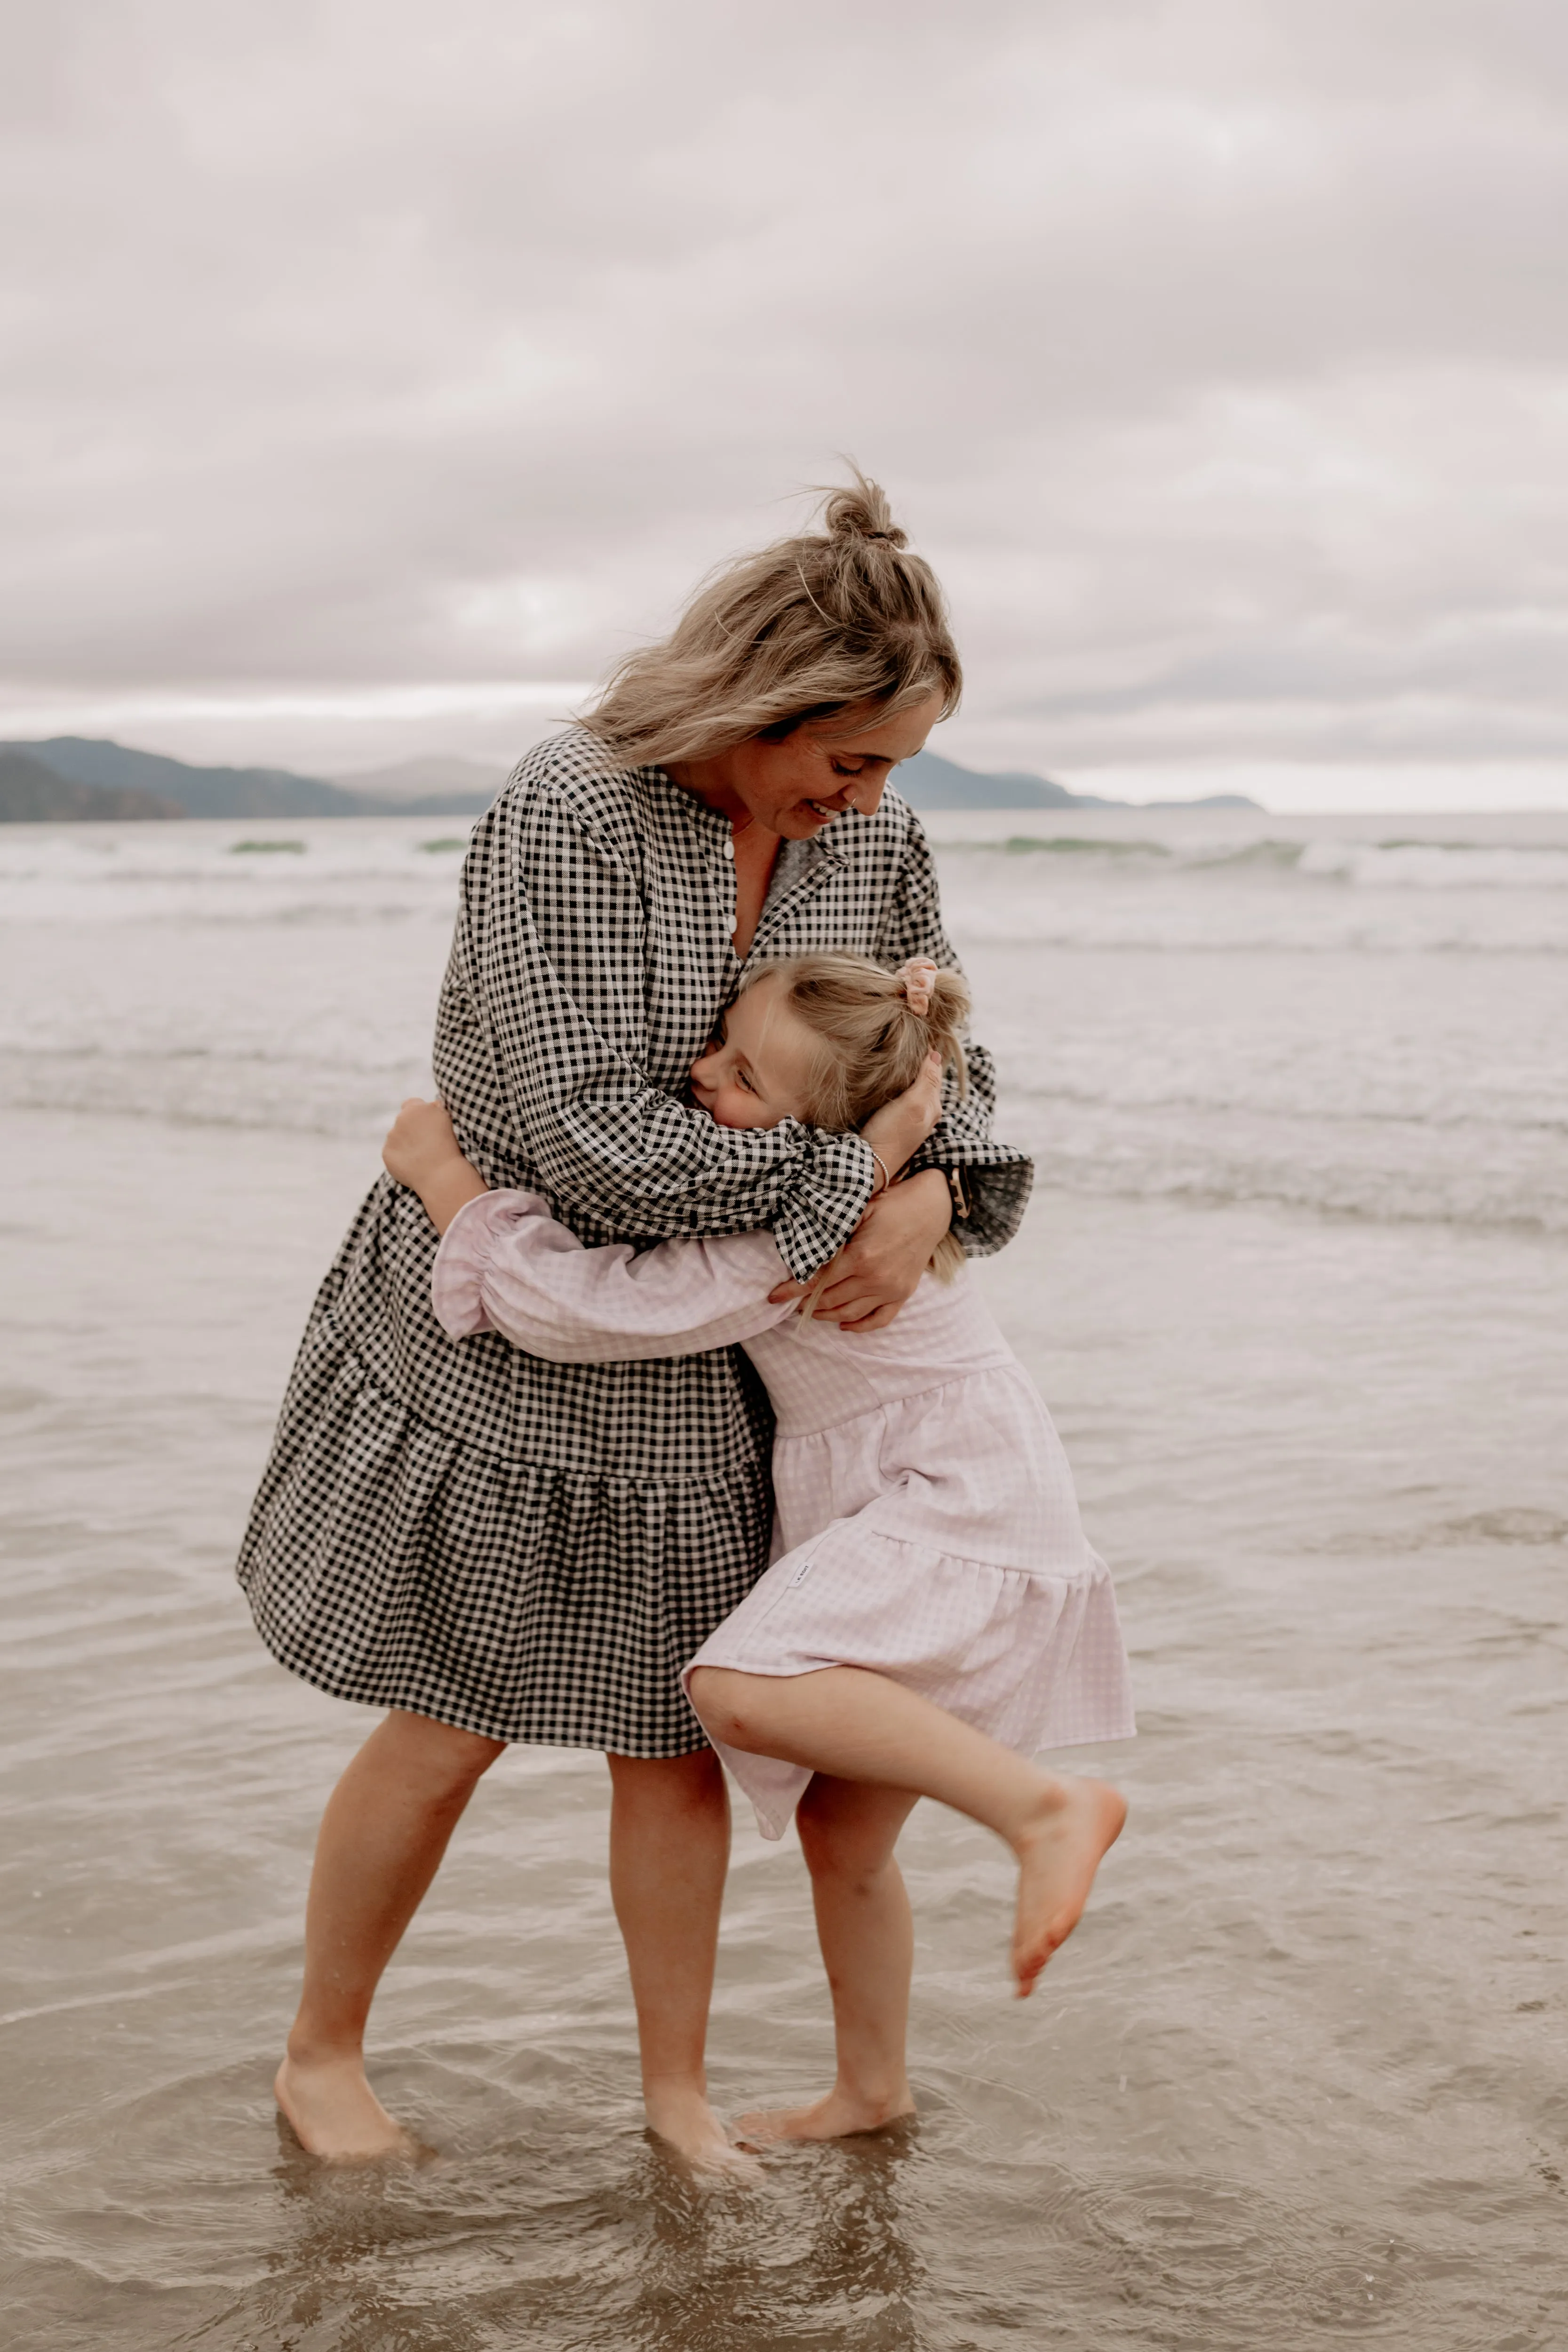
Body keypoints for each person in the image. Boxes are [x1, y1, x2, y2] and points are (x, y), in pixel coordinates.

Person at [236, 472, 1032, 2167]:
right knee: (448, 1712)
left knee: (670, 1747)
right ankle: (321, 2055)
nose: (871, 796)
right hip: (518, 1314)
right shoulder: (573, 808)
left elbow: (948, 1058)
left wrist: (933, 1193)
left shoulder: (876, 840)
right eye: (852, 754)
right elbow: (588, 1132)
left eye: (894, 763)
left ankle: (675, 2101)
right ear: (761, 703)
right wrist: (854, 1180)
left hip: (728, 1368)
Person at [381, 949, 1133, 2147]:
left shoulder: (793, 1241)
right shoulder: (841, 1194)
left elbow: (587, 1310)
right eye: (722, 1048)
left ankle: (1043, 1809)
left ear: (818, 1142)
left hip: (950, 1497)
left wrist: (447, 1186)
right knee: (847, 1838)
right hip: (945, 1480)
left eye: (739, 1078)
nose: (700, 1077)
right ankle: (870, 2091)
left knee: (735, 1685)